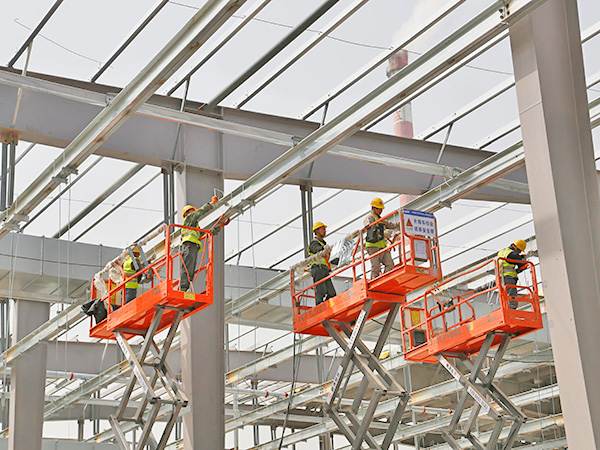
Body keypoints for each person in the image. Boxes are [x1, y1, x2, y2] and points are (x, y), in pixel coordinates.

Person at [180, 197, 229, 292]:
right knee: (188, 266)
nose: (193, 212)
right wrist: (211, 203)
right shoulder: (189, 219)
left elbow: (207, 234)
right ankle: (183, 287)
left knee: (191, 267)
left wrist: (221, 226)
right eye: (191, 211)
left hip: (193, 246)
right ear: (186, 213)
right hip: (189, 244)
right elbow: (199, 212)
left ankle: (186, 287)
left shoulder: (195, 228)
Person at [363, 197, 400, 279]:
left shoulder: (380, 219)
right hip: (373, 246)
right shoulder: (369, 218)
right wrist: (383, 234)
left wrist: (401, 221)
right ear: (373, 208)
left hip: (382, 246)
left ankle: (385, 279)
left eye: (381, 209)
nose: (381, 211)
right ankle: (374, 281)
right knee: (376, 267)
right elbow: (370, 229)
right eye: (379, 209)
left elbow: (391, 225)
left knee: (390, 264)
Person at [308, 222, 336, 305]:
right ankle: (320, 306)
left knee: (332, 293)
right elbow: (314, 249)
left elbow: (329, 258)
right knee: (321, 291)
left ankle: (327, 305)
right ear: (317, 231)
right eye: (323, 229)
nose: (325, 231)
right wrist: (323, 248)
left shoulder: (323, 243)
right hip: (318, 268)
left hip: (324, 269)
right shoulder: (314, 242)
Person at [497, 239, 528, 309]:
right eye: (519, 251)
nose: (519, 253)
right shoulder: (513, 254)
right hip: (509, 278)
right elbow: (522, 265)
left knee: (505, 296)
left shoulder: (502, 252)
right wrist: (525, 262)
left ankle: (506, 309)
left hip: (501, 278)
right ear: (515, 247)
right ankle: (512, 310)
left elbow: (512, 260)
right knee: (512, 295)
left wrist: (521, 257)